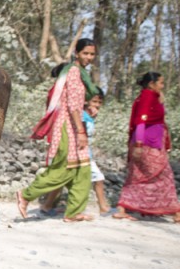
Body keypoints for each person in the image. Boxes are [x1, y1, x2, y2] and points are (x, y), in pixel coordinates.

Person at [17, 38, 100, 222]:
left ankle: (74, 212)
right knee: (63, 168)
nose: (89, 57)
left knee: (83, 169)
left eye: (92, 54)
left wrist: (88, 108)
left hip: (75, 123)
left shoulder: (82, 74)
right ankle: (26, 195)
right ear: (77, 53)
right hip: (68, 126)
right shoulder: (73, 72)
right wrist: (79, 131)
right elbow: (71, 105)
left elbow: (77, 102)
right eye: (85, 53)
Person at [112, 72, 180, 223]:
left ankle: (123, 207)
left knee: (137, 175)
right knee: (163, 175)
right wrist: (138, 145)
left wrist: (161, 97)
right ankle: (176, 212)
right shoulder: (148, 96)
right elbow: (141, 120)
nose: (163, 86)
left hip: (151, 141)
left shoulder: (151, 96)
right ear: (151, 84)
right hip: (147, 143)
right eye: (161, 83)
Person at [40, 91, 112, 215]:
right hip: (76, 153)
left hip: (84, 153)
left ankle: (101, 206)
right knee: (93, 178)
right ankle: (47, 205)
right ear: (86, 101)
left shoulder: (89, 115)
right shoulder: (79, 115)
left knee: (96, 178)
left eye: (100, 102)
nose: (98, 105)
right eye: (94, 101)